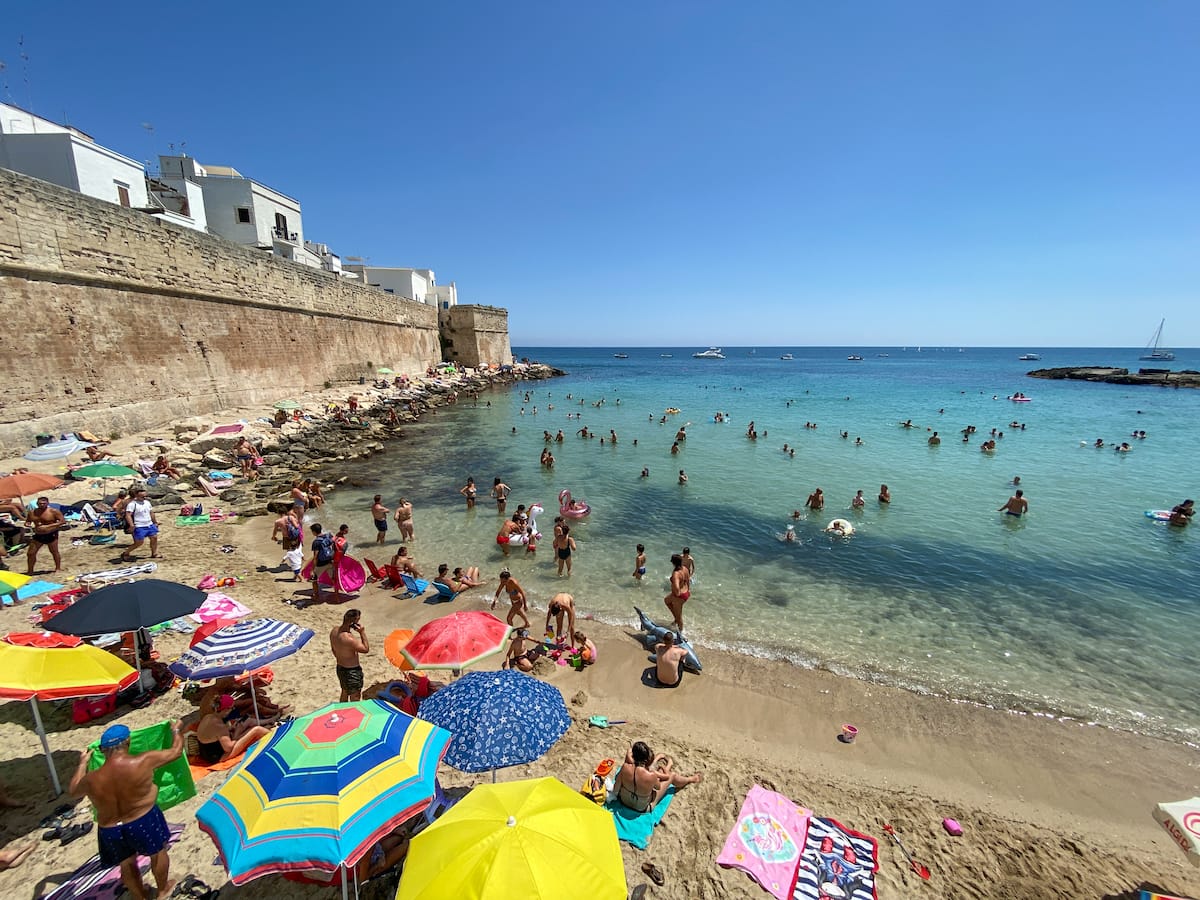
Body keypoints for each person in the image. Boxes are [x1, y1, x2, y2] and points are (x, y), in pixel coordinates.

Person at [68, 723, 184, 900]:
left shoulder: (91, 779)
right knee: (158, 853)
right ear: (128, 741)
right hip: (142, 819)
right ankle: (162, 890)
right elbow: (176, 751)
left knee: (126, 862)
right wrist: (176, 729)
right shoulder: (143, 761)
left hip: (110, 829)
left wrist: (82, 763)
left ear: (103, 750)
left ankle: (139, 896)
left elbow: (73, 790)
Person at [614, 741, 702, 813]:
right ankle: (691, 779)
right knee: (672, 775)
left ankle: (662, 763)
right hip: (642, 808)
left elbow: (616, 789)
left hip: (624, 801)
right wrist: (665, 768)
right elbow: (658, 786)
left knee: (650, 778)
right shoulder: (652, 775)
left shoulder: (625, 767)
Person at [194, 694, 271, 764]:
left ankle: (270, 733)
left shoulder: (208, 716)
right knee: (256, 730)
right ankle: (274, 737)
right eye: (231, 708)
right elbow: (229, 748)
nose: (232, 710)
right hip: (218, 756)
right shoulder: (220, 726)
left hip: (204, 752)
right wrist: (240, 737)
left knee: (245, 728)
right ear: (226, 709)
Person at [330, 609, 369, 702]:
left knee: (344, 692)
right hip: (352, 671)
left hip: (340, 667)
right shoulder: (349, 638)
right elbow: (365, 649)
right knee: (355, 697)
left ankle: (342, 711)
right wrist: (362, 632)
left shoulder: (334, 631)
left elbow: (333, 649)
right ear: (354, 622)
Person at [25, 496, 65, 574]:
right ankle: (30, 570)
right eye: (40, 503)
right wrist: (27, 524)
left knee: (54, 551)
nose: (42, 505)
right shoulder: (32, 512)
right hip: (38, 535)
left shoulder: (53, 511)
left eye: (44, 503)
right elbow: (28, 521)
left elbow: (62, 521)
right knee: (30, 553)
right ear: (37, 504)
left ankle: (58, 568)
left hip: (51, 534)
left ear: (47, 503)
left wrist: (48, 526)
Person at [308, 523, 341, 603]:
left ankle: (316, 596)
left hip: (321, 564)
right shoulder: (328, 536)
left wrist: (312, 569)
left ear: (314, 532)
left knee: (314, 580)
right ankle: (337, 598)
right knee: (334, 580)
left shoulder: (316, 542)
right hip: (330, 562)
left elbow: (315, 556)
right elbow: (335, 544)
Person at [664, 553, 691, 633]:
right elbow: (688, 580)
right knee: (666, 600)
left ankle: (681, 633)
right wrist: (688, 590)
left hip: (679, 596)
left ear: (673, 563)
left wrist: (676, 594)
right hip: (686, 592)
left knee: (679, 616)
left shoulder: (676, 574)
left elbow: (676, 587)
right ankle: (676, 620)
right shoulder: (685, 568)